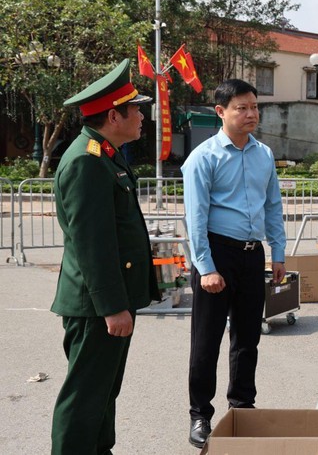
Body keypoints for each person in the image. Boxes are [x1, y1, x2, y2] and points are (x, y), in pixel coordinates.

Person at [51, 59, 160, 454]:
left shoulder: (104, 153)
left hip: (105, 303)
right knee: (84, 397)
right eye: (136, 110)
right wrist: (113, 306)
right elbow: (92, 244)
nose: (142, 118)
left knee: (101, 394)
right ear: (114, 115)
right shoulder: (87, 160)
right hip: (97, 305)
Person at [181, 79, 287, 448]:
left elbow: (273, 205)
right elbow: (195, 219)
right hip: (216, 253)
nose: (250, 114)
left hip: (250, 253)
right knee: (206, 341)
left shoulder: (264, 154)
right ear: (221, 112)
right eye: (241, 108)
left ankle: (242, 406)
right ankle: (199, 415)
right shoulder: (203, 158)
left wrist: (277, 253)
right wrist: (207, 268)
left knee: (247, 337)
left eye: (254, 107)